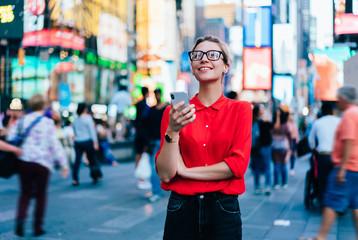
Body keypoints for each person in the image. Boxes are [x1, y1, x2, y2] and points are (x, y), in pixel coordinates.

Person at [156, 36, 252, 240]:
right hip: (181, 207)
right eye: (197, 55)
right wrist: (173, 131)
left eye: (213, 55)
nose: (204, 59)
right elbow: (165, 174)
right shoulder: (174, 113)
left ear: (226, 66)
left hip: (223, 209)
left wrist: (184, 171)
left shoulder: (240, 110)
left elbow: (237, 166)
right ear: (191, 65)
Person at [300, 85, 358, 240]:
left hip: (344, 165)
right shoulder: (353, 114)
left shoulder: (348, 116)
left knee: (331, 198)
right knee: (354, 203)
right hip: (354, 166)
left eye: (339, 98)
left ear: (344, 99)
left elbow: (348, 141)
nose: (337, 102)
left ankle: (321, 236)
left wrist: (342, 168)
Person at [6, 94, 69, 237]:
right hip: (42, 163)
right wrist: (64, 164)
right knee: (41, 195)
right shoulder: (47, 123)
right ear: (43, 106)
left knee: (25, 193)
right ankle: (37, 227)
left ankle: (20, 220)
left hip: (24, 161)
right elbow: (55, 145)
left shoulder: (22, 121)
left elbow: (10, 137)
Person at [308, 102, 340, 207]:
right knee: (336, 181)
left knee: (322, 181)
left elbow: (311, 140)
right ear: (333, 111)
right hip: (337, 156)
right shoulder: (339, 121)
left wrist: (313, 149)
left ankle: (323, 203)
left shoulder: (318, 122)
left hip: (323, 155)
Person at [72, 103, 102, 186]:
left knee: (77, 161)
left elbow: (74, 131)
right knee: (92, 159)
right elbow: (92, 131)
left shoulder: (75, 119)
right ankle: (95, 176)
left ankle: (75, 179)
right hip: (87, 141)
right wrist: (95, 142)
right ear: (85, 109)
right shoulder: (88, 118)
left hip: (78, 142)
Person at [146, 88, 169, 202]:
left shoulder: (166, 108)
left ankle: (161, 189)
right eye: (156, 94)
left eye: (158, 94)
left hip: (166, 140)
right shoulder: (152, 110)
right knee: (153, 167)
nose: (157, 96)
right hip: (155, 141)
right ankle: (156, 190)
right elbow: (148, 126)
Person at [251, 104, 273, 195]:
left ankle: (257, 186)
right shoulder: (265, 121)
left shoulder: (251, 121)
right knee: (267, 167)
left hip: (255, 148)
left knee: (257, 168)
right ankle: (267, 186)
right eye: (262, 109)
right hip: (265, 146)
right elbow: (273, 127)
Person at [271, 108, 291, 190]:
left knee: (276, 165)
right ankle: (284, 183)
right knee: (283, 165)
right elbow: (289, 136)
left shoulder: (273, 124)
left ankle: (276, 183)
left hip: (275, 147)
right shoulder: (285, 125)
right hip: (284, 147)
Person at [287, 110, 299, 176]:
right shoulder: (287, 124)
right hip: (288, 140)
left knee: (292, 155)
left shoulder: (294, 124)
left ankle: (292, 168)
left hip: (293, 140)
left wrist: (297, 140)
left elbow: (296, 133)